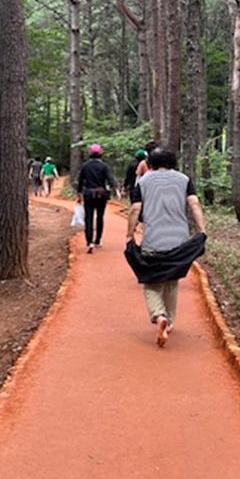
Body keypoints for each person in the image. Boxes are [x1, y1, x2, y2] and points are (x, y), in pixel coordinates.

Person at [125, 146, 207, 347]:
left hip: (154, 238)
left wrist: (129, 234)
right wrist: (202, 230)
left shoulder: (143, 182)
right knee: (172, 278)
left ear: (151, 163)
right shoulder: (184, 179)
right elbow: (195, 204)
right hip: (179, 239)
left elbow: (135, 208)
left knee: (151, 280)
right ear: (173, 163)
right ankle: (169, 321)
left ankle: (159, 315)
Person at [76, 143, 118, 253]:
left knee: (88, 217)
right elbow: (110, 179)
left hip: (89, 194)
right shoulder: (104, 166)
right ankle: (98, 240)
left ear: (90, 153)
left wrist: (79, 194)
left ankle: (89, 241)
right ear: (100, 153)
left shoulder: (85, 166)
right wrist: (116, 190)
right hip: (101, 194)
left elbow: (80, 181)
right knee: (100, 217)